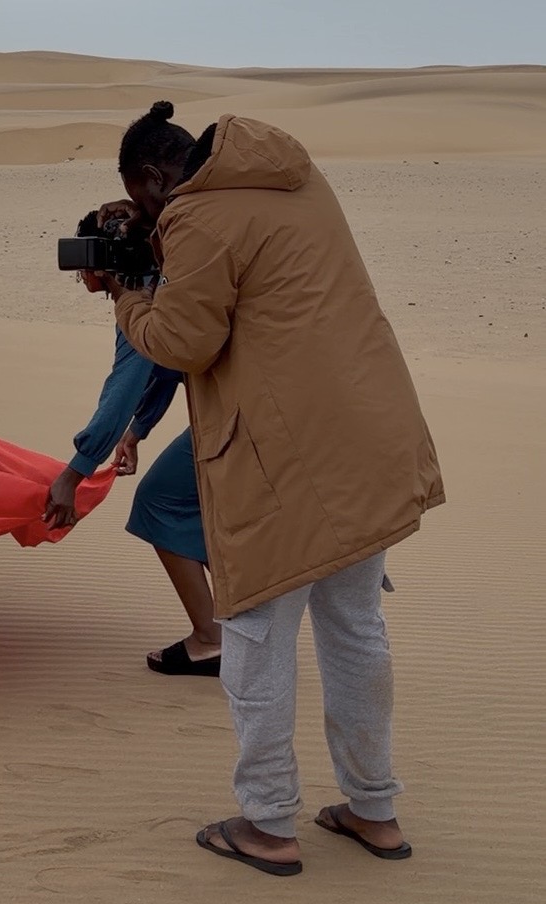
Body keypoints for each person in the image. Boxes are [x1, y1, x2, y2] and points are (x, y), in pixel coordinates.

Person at [103, 101, 445, 876]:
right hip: (368, 437)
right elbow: (254, 283)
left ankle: (266, 824)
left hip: (281, 459)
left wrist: (124, 293)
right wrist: (156, 243)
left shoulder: (197, 218)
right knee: (354, 629)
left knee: (255, 634)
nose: (153, 210)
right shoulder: (296, 179)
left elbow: (183, 341)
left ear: (154, 175)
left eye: (144, 195)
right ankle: (373, 809)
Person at [43, 270, 221, 676]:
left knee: (158, 500)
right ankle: (245, 630)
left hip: (247, 416)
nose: (80, 276)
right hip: (274, 403)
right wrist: (139, 429)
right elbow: (166, 361)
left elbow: (123, 389)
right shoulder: (168, 280)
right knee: (210, 507)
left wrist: (74, 475)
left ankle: (213, 640)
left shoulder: (140, 299)